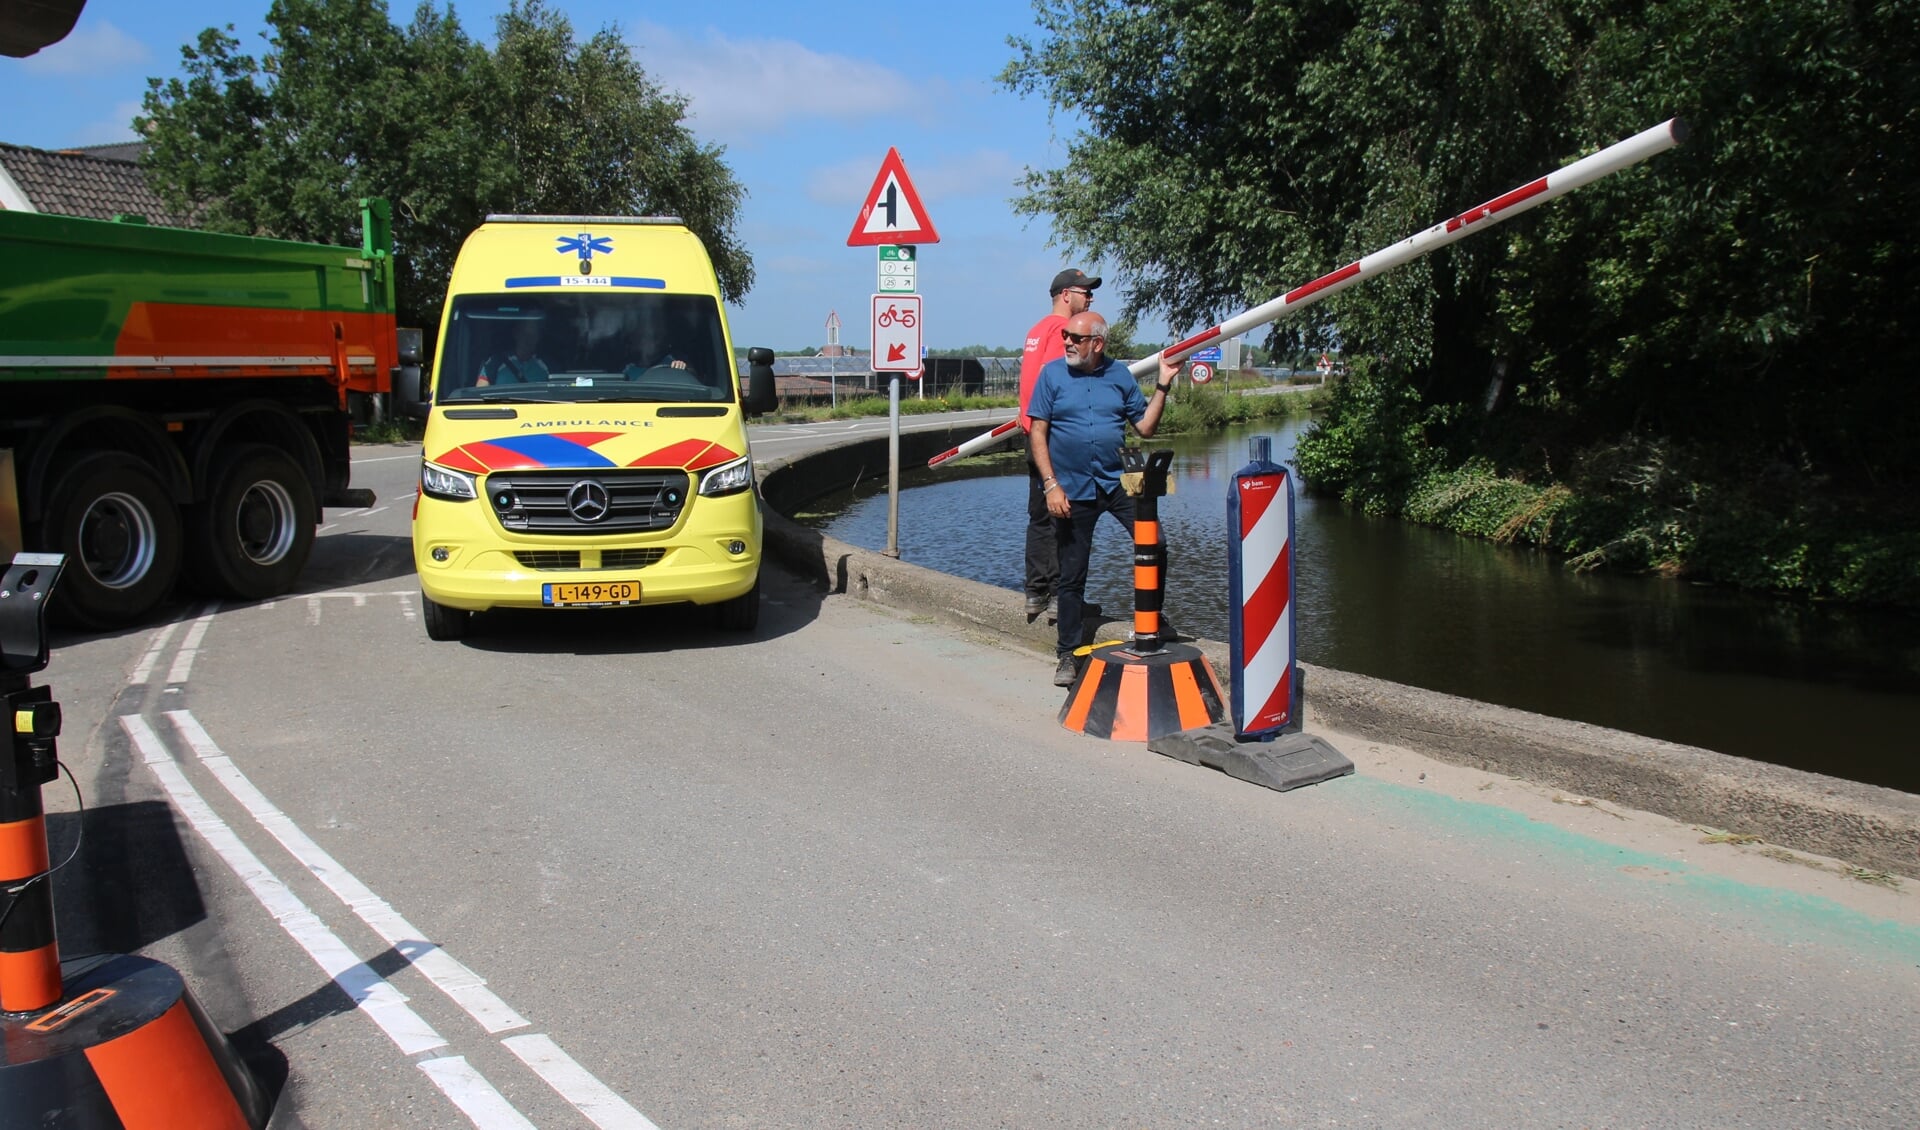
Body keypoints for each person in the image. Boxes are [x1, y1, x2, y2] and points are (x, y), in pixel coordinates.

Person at [1027, 311, 1178, 686]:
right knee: (1072, 575)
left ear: (1097, 343)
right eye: (1065, 335)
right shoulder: (1051, 375)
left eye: (1075, 338)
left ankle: (1152, 618)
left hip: (1117, 483)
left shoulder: (1119, 376)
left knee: (1155, 545)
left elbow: (1145, 427)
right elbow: (1037, 433)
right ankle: (1068, 655)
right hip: (1072, 488)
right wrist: (1050, 485)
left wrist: (1163, 386)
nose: (1066, 343)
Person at [1015, 268, 1099, 622]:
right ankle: (1060, 599)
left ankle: (1036, 592)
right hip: (1055, 437)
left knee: (1039, 517)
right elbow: (1059, 383)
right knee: (1066, 518)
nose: (1090, 299)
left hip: (1032, 434)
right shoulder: (1061, 332)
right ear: (1066, 295)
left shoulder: (1035, 330)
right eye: (1085, 293)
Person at [476, 320, 548, 386]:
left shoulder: (547, 365)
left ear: (538, 337)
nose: (527, 339)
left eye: (532, 335)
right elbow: (480, 393)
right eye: (524, 334)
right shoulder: (495, 362)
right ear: (516, 334)